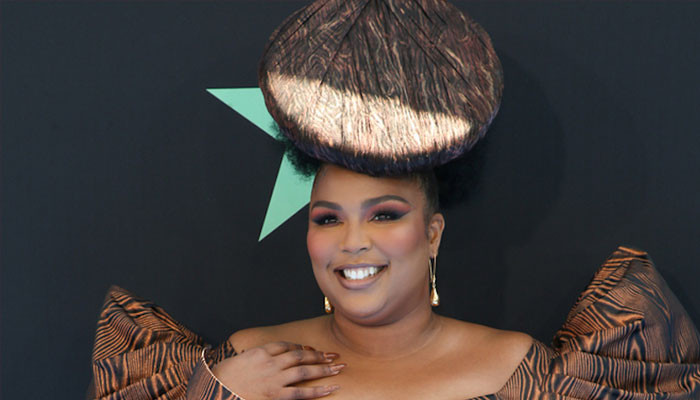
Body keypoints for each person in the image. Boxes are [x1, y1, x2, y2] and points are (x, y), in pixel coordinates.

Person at [89, 0, 700, 399]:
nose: (352, 241)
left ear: (433, 233)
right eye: (328, 218)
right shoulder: (246, 363)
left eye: (384, 214)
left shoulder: (524, 373)